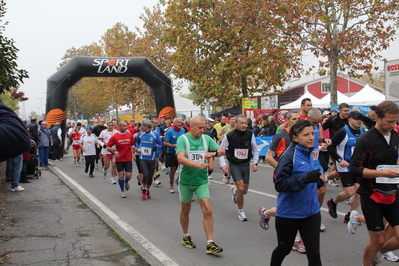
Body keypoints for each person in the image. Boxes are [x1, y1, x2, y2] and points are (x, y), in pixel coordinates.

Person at [349, 101, 399, 266]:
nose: (393, 125)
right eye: (389, 121)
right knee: (378, 240)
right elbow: (354, 169)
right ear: (378, 117)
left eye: (395, 121)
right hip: (371, 194)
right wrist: (382, 173)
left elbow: (392, 160)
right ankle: (368, 261)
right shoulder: (366, 139)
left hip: (393, 192)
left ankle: (379, 252)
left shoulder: (395, 135)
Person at [270, 119, 323, 266]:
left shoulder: (312, 151)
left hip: (311, 212)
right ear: (295, 137)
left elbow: (313, 170)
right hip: (289, 213)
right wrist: (306, 179)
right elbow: (280, 184)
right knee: (284, 249)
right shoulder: (288, 156)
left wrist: (317, 180)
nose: (311, 137)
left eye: (312, 133)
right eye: (306, 135)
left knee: (314, 255)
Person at [176, 115, 225, 254]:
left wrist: (213, 153)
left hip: (201, 181)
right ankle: (186, 236)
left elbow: (222, 151)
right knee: (186, 210)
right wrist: (197, 164)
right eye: (200, 128)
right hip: (186, 181)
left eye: (204, 127)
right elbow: (180, 158)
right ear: (191, 127)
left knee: (208, 210)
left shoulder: (206, 138)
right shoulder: (183, 139)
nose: (203, 130)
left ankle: (210, 243)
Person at [260, 110, 306, 253]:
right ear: (287, 121)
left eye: (299, 118)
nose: (297, 120)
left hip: (298, 177)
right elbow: (268, 157)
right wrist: (282, 170)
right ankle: (294, 239)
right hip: (283, 177)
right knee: (287, 207)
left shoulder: (303, 136)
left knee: (298, 206)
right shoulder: (280, 135)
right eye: (294, 118)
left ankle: (267, 214)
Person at [326, 111, 365, 223]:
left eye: (360, 119)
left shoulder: (362, 132)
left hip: (356, 165)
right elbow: (331, 147)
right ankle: (333, 202)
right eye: (356, 119)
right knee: (349, 192)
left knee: (359, 192)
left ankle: (349, 215)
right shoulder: (343, 132)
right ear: (349, 120)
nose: (359, 121)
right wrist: (339, 160)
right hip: (344, 165)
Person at [219, 114, 259, 221]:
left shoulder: (250, 134)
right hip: (234, 164)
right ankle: (241, 211)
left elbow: (255, 149)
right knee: (241, 188)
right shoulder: (229, 136)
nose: (244, 125)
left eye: (245, 123)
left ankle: (234, 190)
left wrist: (255, 163)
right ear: (235, 123)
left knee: (244, 191)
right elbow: (221, 151)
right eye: (241, 123)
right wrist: (223, 165)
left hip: (245, 164)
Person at [106, 121, 135, 198]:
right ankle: (122, 191)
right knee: (121, 175)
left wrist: (132, 154)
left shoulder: (129, 135)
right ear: (119, 126)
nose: (125, 127)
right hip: (119, 159)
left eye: (126, 126)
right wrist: (114, 151)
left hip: (128, 158)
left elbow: (132, 145)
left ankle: (126, 182)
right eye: (123, 126)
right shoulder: (115, 136)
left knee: (129, 175)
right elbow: (108, 147)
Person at [135, 118, 163, 199]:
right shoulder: (140, 134)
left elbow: (160, 144)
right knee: (145, 175)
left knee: (150, 176)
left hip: (152, 158)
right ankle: (143, 188)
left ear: (146, 126)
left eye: (142, 126)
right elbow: (137, 142)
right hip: (143, 157)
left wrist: (156, 147)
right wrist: (138, 148)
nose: (141, 127)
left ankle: (147, 189)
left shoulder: (155, 134)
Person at [164, 117, 186, 193]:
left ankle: (178, 179)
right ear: (174, 123)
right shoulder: (170, 131)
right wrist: (173, 146)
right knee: (173, 169)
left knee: (183, 168)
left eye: (181, 122)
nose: (180, 124)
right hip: (171, 152)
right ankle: (171, 184)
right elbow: (165, 142)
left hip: (181, 152)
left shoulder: (183, 130)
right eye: (178, 122)